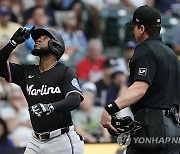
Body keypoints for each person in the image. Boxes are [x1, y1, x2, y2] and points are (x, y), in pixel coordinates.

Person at [101, 5, 180, 154]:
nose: (133, 31)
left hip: (152, 126)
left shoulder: (145, 49)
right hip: (174, 128)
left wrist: (110, 109)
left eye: (134, 27)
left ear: (142, 28)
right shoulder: (171, 54)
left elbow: (139, 89)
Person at [0, 26, 84, 154]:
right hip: (35, 140)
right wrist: (12, 43)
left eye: (44, 38)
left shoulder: (65, 72)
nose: (37, 40)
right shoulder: (26, 72)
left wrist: (50, 107)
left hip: (61, 140)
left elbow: (75, 100)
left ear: (55, 45)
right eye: (37, 38)